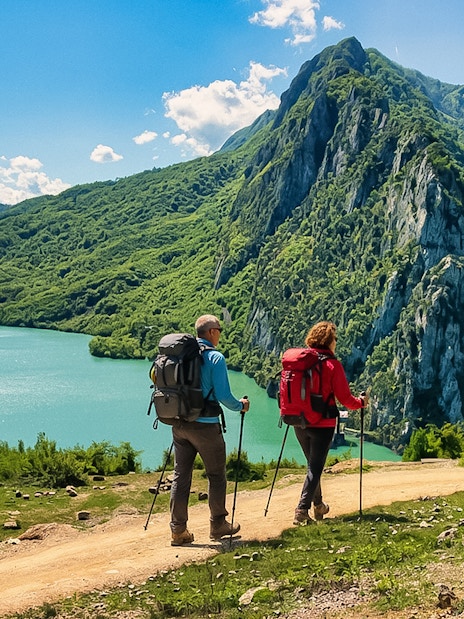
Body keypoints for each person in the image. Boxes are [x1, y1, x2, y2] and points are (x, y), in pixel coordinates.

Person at [169, 314, 250, 546]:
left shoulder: (181, 356)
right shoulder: (215, 358)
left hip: (179, 424)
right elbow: (224, 396)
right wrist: (241, 406)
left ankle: (178, 530)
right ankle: (218, 525)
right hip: (205, 426)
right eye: (220, 330)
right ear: (212, 332)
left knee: (180, 476)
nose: (220, 335)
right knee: (216, 475)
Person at [293, 321, 368, 525]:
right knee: (315, 468)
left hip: (299, 422)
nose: (336, 342)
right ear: (328, 341)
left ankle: (318, 506)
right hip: (322, 424)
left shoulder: (301, 361)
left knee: (312, 466)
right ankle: (301, 510)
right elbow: (345, 399)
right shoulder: (332, 365)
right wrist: (361, 403)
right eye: (334, 339)